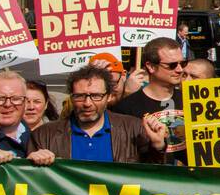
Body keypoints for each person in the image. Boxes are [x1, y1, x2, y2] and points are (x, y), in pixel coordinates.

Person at [27, 65, 166, 165]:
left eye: (96, 96)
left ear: (109, 97)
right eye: (80, 96)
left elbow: (153, 179)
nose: (87, 103)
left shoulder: (134, 129)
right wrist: (31, 162)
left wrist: (158, 146)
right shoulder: (43, 135)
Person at [112, 37, 188, 164]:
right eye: (172, 65)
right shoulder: (125, 108)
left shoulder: (192, 100)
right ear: (151, 67)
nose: (180, 69)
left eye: (183, 63)